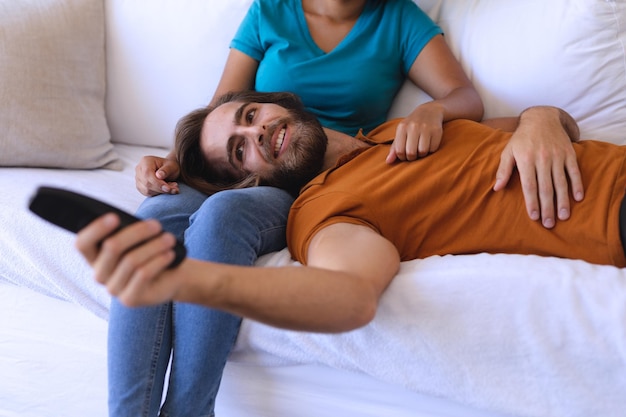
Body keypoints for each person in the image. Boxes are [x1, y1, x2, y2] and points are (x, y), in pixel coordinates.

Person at [114, 1, 487, 415]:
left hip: (313, 177)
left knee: (224, 215)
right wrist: (170, 163)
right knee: (151, 219)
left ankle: (189, 410)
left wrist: (431, 110)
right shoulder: (269, 12)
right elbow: (225, 107)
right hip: (249, 165)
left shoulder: (397, 18)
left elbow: (464, 97)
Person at [76, 91, 624, 337]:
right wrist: (198, 280)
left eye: (249, 115)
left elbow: (549, 118)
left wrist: (541, 122)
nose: (256, 131)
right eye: (239, 150)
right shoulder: (320, 212)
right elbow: (349, 296)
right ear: (250, 181)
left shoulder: (400, 128)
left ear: (278, 103)